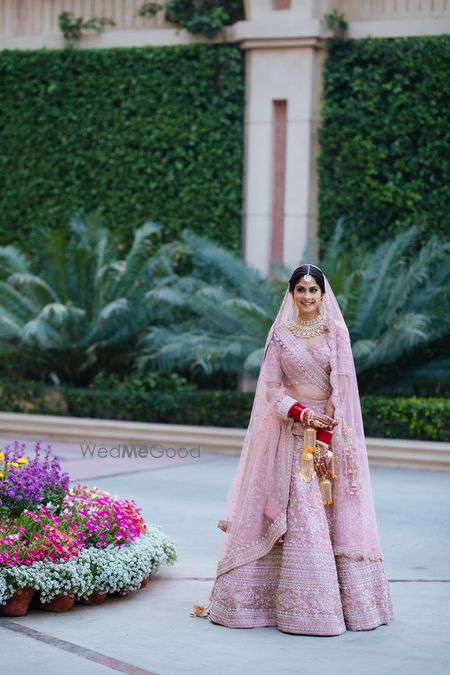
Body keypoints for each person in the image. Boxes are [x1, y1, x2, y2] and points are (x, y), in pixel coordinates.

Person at [191, 264, 393, 635]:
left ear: (323, 294)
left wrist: (325, 437)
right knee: (301, 513)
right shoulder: (280, 336)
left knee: (329, 513)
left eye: (313, 290)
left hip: (327, 437)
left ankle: (342, 606)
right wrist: (298, 413)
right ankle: (280, 605)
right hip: (289, 433)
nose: (307, 297)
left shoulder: (336, 334)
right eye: (301, 289)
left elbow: (343, 386)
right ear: (292, 293)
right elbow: (270, 388)